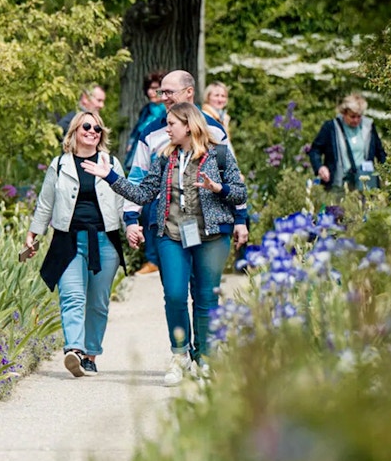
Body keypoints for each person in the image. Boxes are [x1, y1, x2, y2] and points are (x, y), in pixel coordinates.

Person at [83, 103, 248, 386]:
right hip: (170, 233)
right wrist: (109, 176)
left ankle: (206, 360)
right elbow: (144, 192)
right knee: (174, 294)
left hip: (211, 235)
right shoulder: (164, 157)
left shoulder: (218, 153)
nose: (167, 128)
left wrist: (218, 188)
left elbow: (240, 191)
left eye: (171, 123)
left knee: (207, 297)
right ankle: (180, 356)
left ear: (188, 125)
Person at [25, 110, 126, 378]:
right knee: (72, 296)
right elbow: (45, 202)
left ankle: (91, 355)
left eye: (97, 128)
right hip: (68, 240)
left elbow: (123, 199)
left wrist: (133, 228)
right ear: (74, 133)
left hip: (104, 240)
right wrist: (33, 233)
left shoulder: (111, 162)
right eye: (86, 127)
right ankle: (74, 350)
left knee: (98, 302)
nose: (92, 131)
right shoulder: (60, 164)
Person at [123, 70, 248, 252]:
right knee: (174, 278)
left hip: (207, 217)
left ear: (189, 92)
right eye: (161, 92)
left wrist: (240, 219)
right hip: (164, 219)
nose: (164, 97)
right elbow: (137, 178)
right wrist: (131, 219)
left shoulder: (213, 129)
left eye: (169, 92)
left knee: (204, 280)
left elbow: (232, 177)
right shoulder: (150, 133)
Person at [125, 71, 168, 275]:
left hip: (160, 167)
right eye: (151, 88)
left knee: (156, 212)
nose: (154, 92)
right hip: (143, 168)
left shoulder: (164, 112)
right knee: (147, 213)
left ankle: (158, 259)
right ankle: (152, 259)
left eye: (158, 88)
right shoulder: (146, 110)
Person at [308, 93, 387, 191]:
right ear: (344, 113)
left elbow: (379, 152)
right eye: (352, 116)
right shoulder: (331, 127)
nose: (356, 120)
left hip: (365, 178)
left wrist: (386, 172)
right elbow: (315, 150)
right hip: (339, 179)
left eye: (359, 116)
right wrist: (320, 168)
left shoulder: (368, 126)